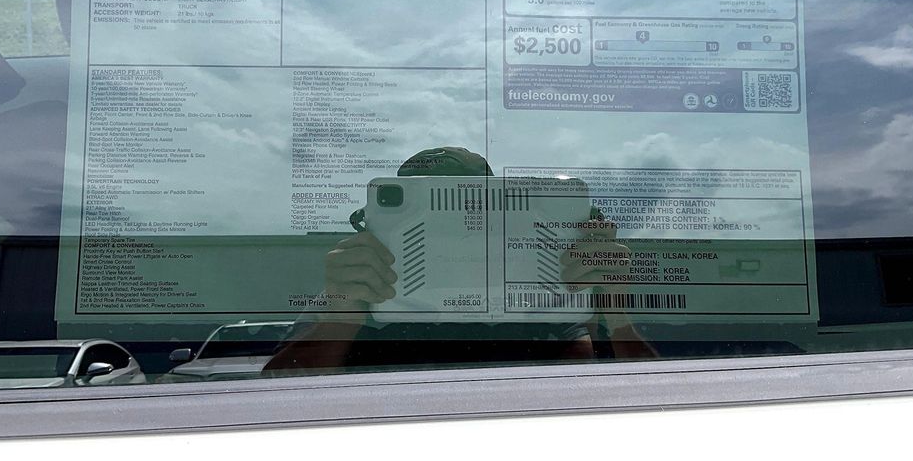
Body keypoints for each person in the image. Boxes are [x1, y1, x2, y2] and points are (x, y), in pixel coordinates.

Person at [265, 147, 655, 373]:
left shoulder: (541, 285)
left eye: (470, 209)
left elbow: (615, 385)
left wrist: (611, 311)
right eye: (428, 212)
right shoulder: (362, 282)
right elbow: (276, 395)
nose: (456, 230)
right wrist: (341, 318)